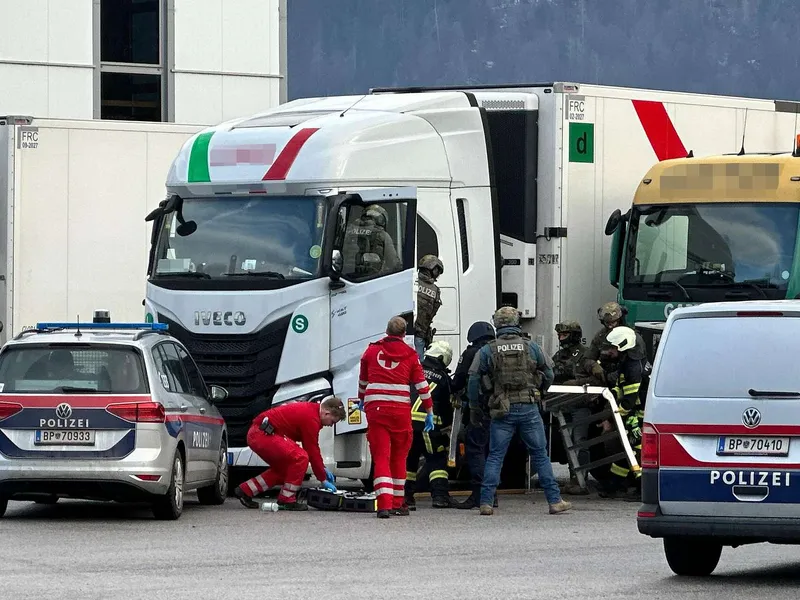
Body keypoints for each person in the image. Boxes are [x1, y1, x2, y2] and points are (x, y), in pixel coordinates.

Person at [468, 306, 573, 516]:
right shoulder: (530, 346)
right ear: (517, 323)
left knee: (495, 455)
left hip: (501, 409)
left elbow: (473, 378)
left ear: (497, 324)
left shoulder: (488, 349)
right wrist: (541, 390)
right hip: (529, 408)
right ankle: (554, 501)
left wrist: (474, 406)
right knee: (540, 455)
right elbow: (549, 372)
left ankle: (486, 502)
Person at [358, 316, 434, 518]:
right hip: (400, 412)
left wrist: (361, 399)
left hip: (376, 410)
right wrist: (429, 411)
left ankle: (383, 505)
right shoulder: (410, 355)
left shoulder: (372, 350)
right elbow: (422, 387)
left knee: (381, 457)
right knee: (399, 457)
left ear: (386, 331)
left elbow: (363, 380)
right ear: (403, 334)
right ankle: (398, 503)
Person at [234, 396, 346, 510]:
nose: (331, 425)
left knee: (287, 470)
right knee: (300, 458)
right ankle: (286, 499)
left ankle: (245, 490)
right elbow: (312, 450)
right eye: (332, 421)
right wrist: (322, 478)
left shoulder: (311, 412)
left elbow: (312, 448)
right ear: (326, 413)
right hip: (262, 434)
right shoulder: (311, 418)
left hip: (260, 433)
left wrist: (321, 468)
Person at [451, 321, 497, 510]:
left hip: (478, 409)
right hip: (500, 408)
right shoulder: (497, 350)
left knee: (476, 451)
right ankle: (491, 495)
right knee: (493, 453)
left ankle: (479, 495)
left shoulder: (472, 353)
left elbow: (460, 379)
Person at [596, 326, 646, 502]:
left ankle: (642, 489)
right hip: (634, 413)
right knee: (626, 448)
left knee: (638, 451)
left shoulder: (633, 368)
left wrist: (613, 417)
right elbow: (621, 389)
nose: (609, 352)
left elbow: (629, 401)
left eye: (613, 348)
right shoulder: (628, 362)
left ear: (623, 346)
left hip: (639, 416)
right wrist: (610, 395)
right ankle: (614, 484)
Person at [405, 340, 456, 509]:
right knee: (436, 460)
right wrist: (447, 426)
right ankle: (440, 497)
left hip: (407, 424)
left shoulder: (413, 370)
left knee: (409, 460)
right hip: (429, 426)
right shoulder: (443, 378)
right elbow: (446, 405)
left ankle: (406, 498)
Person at [551, 320, 591, 496]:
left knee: (579, 441)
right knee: (567, 443)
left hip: (581, 404)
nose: (561, 338)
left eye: (564, 335)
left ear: (574, 336)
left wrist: (577, 382)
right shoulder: (559, 355)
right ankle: (573, 478)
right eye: (559, 335)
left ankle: (581, 480)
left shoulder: (586, 354)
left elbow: (596, 378)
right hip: (564, 405)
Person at [341, 204, 401, 277]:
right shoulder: (382, 235)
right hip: (371, 277)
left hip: (345, 275)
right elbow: (393, 263)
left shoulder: (347, 231)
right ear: (381, 219)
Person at [582, 301, 628, 380]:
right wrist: (594, 366)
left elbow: (634, 365)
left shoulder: (630, 335)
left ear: (620, 320)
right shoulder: (600, 336)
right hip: (603, 376)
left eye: (613, 322)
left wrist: (612, 377)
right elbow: (587, 359)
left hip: (623, 377)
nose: (610, 326)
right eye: (607, 323)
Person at [414, 254, 444, 359]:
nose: (437, 274)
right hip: (420, 335)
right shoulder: (435, 290)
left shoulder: (412, 281)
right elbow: (431, 314)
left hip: (405, 332)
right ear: (431, 268)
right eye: (437, 271)